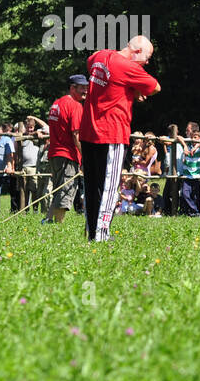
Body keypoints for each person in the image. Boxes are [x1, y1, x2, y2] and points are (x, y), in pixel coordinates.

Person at [80, 37, 161, 241]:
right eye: (147, 57)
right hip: (112, 134)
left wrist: (128, 89)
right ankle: (102, 233)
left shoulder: (100, 56)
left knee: (91, 186)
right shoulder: (128, 67)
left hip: (89, 131)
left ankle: (92, 231)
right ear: (137, 51)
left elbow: (97, 72)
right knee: (109, 186)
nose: (147, 62)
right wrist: (134, 89)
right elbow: (155, 87)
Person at [44, 75, 88, 223]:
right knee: (65, 191)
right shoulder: (75, 106)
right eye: (82, 87)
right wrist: (85, 156)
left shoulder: (57, 103)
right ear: (72, 87)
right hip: (68, 155)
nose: (85, 91)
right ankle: (58, 226)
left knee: (58, 190)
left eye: (86, 87)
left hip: (54, 154)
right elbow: (76, 135)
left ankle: (48, 220)